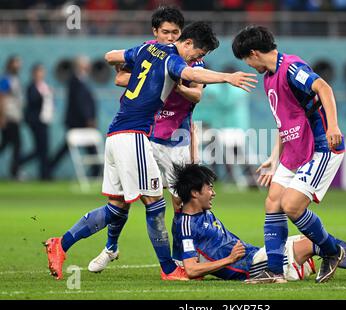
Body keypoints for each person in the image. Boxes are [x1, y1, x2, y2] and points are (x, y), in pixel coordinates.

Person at [44, 21, 257, 280]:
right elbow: (191, 76)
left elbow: (113, 57)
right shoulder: (172, 59)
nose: (197, 59)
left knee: (117, 206)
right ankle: (169, 269)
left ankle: (62, 244)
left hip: (116, 133)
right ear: (187, 43)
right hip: (136, 135)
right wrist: (227, 77)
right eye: (198, 54)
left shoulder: (147, 49)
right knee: (155, 202)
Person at [88, 6, 205, 280]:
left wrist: (173, 80)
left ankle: (181, 258)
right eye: (165, 32)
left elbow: (196, 95)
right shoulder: (147, 51)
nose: (170, 37)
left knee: (181, 202)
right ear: (155, 32)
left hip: (177, 137)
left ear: (183, 36)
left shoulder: (190, 59)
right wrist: (162, 75)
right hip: (146, 134)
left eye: (176, 33)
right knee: (127, 200)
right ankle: (110, 247)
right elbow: (119, 77)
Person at [232, 26, 346, 284]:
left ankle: (331, 251)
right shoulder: (269, 77)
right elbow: (284, 122)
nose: (249, 66)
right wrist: (274, 158)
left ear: (253, 53)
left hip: (320, 146)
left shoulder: (291, 68)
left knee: (291, 206)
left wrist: (334, 126)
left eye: (247, 60)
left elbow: (324, 88)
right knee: (273, 201)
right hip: (294, 148)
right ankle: (275, 272)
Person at [171, 164, 346, 282]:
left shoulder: (201, 213)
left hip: (254, 255)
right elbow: (191, 269)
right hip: (250, 268)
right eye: (209, 187)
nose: (213, 192)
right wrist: (229, 260)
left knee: (316, 240)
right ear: (194, 193)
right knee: (310, 243)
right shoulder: (186, 224)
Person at [50, 55, 99, 178]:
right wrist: (89, 118)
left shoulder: (82, 80)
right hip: (78, 122)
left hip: (79, 122)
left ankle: (48, 168)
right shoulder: (74, 81)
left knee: (69, 148)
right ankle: (95, 172)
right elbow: (80, 103)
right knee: (89, 148)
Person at [20, 64, 54, 180]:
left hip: (44, 120)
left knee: (43, 148)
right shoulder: (31, 87)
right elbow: (32, 102)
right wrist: (43, 95)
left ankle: (44, 174)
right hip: (36, 121)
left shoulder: (44, 86)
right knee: (40, 148)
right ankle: (19, 162)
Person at [0, 55, 24, 179]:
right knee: (17, 144)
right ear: (10, 64)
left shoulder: (15, 79)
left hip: (15, 116)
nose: (18, 66)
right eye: (16, 63)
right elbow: (2, 97)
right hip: (9, 117)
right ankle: (15, 172)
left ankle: (14, 170)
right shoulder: (6, 79)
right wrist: (2, 116)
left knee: (8, 144)